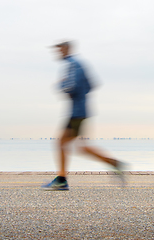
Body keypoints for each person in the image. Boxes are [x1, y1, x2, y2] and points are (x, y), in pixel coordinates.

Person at [41, 41, 125, 191]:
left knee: (67, 144)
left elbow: (71, 86)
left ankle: (62, 179)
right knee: (75, 146)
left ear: (66, 49)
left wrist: (61, 85)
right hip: (81, 110)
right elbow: (92, 84)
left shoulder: (73, 64)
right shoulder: (79, 64)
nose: (58, 53)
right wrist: (81, 96)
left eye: (59, 50)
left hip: (77, 112)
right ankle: (114, 163)